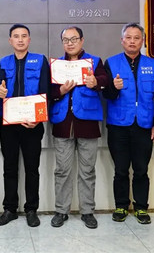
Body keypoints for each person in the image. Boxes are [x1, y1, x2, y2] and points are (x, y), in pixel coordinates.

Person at [102, 23, 154, 225]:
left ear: (142, 41)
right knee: (120, 169)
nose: (132, 41)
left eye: (137, 38)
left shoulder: (152, 64)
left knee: (141, 169)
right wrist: (114, 87)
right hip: (118, 125)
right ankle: (121, 206)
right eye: (128, 37)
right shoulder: (111, 63)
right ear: (122, 41)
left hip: (144, 124)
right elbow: (106, 95)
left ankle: (141, 207)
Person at [0, 24, 50, 228]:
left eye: (24, 36)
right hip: (9, 124)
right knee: (10, 167)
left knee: (32, 168)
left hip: (32, 124)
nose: (20, 39)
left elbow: (45, 90)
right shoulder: (3, 62)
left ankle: (31, 209)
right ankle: (10, 209)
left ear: (29, 39)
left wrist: (38, 118)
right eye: (16, 36)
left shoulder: (40, 60)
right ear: (10, 40)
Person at [49, 26, 106, 229]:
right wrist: (61, 91)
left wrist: (95, 82)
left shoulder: (94, 62)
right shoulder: (56, 64)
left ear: (82, 40)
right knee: (62, 170)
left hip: (87, 123)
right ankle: (61, 211)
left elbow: (105, 81)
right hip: (62, 123)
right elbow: (48, 91)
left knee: (87, 170)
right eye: (66, 40)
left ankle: (87, 211)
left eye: (74, 39)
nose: (70, 43)